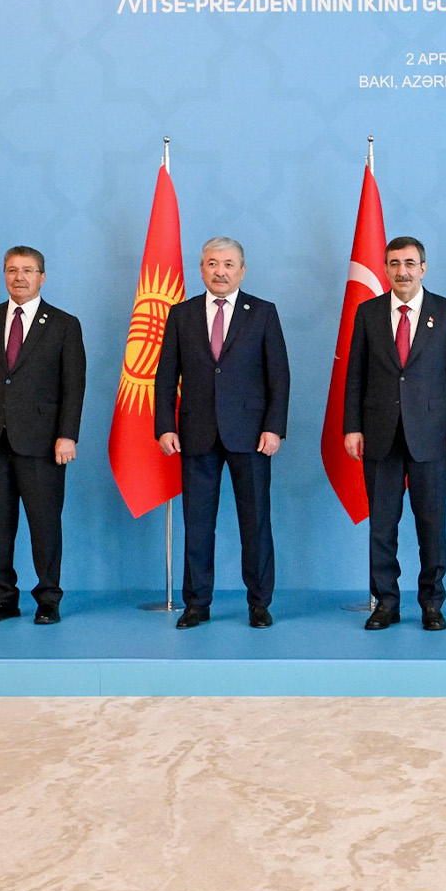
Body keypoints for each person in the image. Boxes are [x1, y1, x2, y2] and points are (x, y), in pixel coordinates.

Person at [154, 237, 290, 630]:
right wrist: (164, 426)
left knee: (255, 523)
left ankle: (259, 604)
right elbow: (165, 376)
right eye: (213, 263)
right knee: (197, 524)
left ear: (242, 271)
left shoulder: (262, 313)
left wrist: (274, 428)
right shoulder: (181, 314)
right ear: (201, 269)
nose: (220, 271)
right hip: (195, 432)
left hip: (251, 435)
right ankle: (197, 604)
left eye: (229, 264)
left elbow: (279, 376)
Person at [342, 236, 446, 631]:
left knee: (431, 525)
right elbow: (355, 375)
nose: (402, 271)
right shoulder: (368, 312)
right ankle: (386, 602)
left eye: (410, 263)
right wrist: (352, 427)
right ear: (385, 269)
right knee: (382, 526)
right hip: (379, 434)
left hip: (432, 436)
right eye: (395, 263)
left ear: (423, 268)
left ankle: (432, 603)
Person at [0, 246, 86, 625]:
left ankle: (48, 599)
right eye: (12, 270)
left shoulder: (64, 324)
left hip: (43, 443)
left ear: (42, 277)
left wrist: (67, 435)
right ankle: (2, 598)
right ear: (5, 275)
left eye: (28, 270)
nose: (20, 277)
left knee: (44, 525)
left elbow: (73, 386)